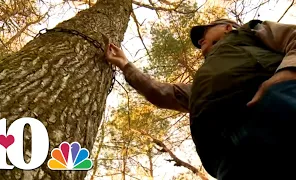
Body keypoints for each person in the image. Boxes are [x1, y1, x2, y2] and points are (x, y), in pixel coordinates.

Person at [105, 19, 296, 180]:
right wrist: (125, 65)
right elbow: (161, 92)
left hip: (276, 112)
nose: (200, 39)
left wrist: (287, 73)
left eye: (205, 31)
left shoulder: (251, 30)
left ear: (228, 27)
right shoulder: (203, 81)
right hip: (228, 158)